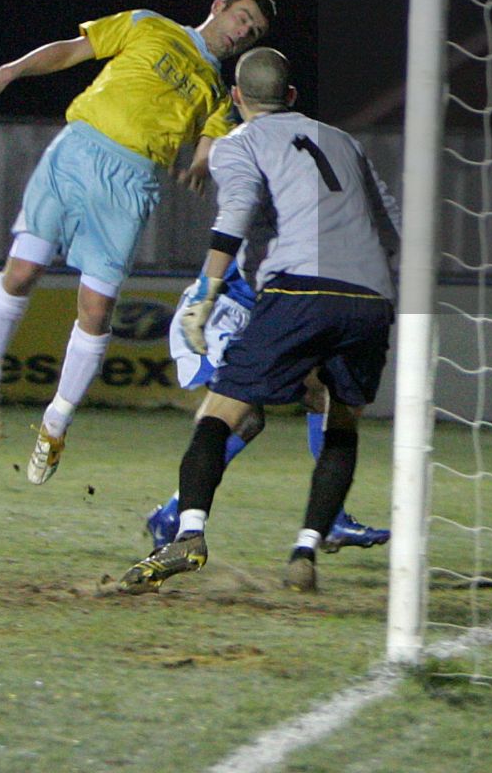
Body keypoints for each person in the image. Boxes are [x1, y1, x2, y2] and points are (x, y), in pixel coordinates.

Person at [0, 0, 276, 483]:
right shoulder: (148, 24)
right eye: (242, 18)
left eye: (253, 31)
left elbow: (210, 138)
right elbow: (72, 50)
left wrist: (199, 164)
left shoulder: (217, 90)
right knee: (21, 272)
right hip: (77, 151)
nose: (243, 32)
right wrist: (9, 71)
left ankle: (56, 423)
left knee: (96, 309)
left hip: (131, 184)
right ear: (218, 6)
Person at [116, 46, 400, 595]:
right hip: (370, 296)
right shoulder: (344, 141)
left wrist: (207, 291)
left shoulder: (237, 142)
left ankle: (186, 534)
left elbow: (237, 211)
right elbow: (391, 225)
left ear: (235, 97)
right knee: (339, 418)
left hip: (298, 289)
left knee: (220, 413)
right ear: (291, 95)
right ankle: (305, 552)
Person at [145, 258, 390, 553]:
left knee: (319, 396)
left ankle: (331, 519)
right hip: (224, 312)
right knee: (239, 414)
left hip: (270, 312)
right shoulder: (281, 237)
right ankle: (173, 516)